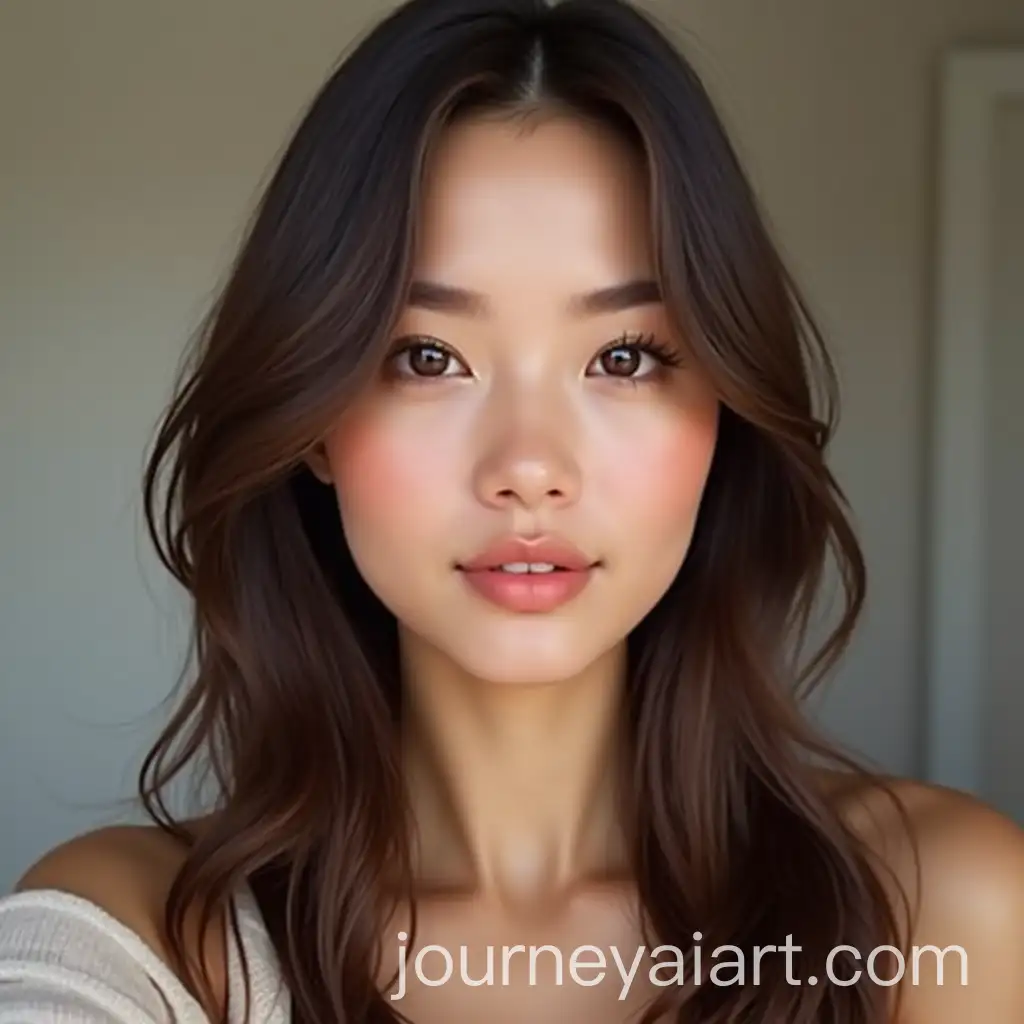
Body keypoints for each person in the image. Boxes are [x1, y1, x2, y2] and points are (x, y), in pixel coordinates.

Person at [2, 0, 1023, 1021]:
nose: (529, 467)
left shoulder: (932, 914)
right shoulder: (138, 941)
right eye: (425, 357)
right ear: (313, 419)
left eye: (623, 357)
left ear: (724, 413)